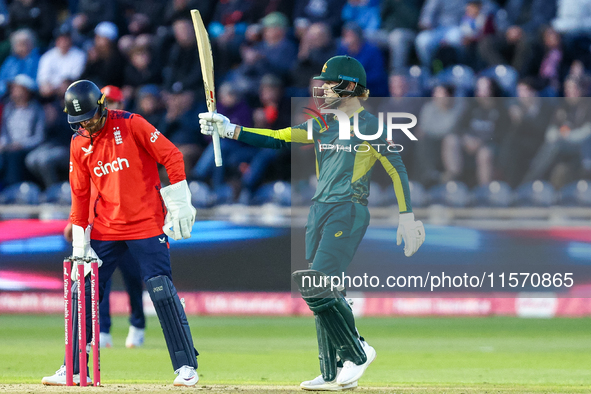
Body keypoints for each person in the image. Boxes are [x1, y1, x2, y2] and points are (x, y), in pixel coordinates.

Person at [199, 55, 425, 390]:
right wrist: (229, 129)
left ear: (349, 87)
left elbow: (397, 169)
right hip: (319, 211)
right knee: (329, 292)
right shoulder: (322, 124)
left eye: (330, 84)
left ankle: (358, 351)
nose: (323, 90)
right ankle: (332, 372)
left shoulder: (370, 126)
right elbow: (277, 138)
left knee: (316, 284)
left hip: (348, 210)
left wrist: (407, 217)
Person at [42, 80, 199, 386]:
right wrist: (80, 239)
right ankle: (73, 368)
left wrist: (179, 203)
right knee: (82, 292)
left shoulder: (131, 124)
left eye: (90, 117)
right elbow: (80, 195)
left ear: (101, 107)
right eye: (79, 122)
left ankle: (185, 367)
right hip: (105, 227)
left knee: (160, 289)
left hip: (146, 223)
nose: (86, 125)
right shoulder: (79, 144)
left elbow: (173, 156)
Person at [62, 85, 146, 349]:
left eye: (114, 101)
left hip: (132, 220)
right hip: (102, 223)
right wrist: (74, 223)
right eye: (107, 100)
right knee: (100, 281)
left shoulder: (131, 127)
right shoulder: (88, 140)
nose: (110, 104)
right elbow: (84, 190)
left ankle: (137, 325)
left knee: (133, 278)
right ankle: (104, 330)